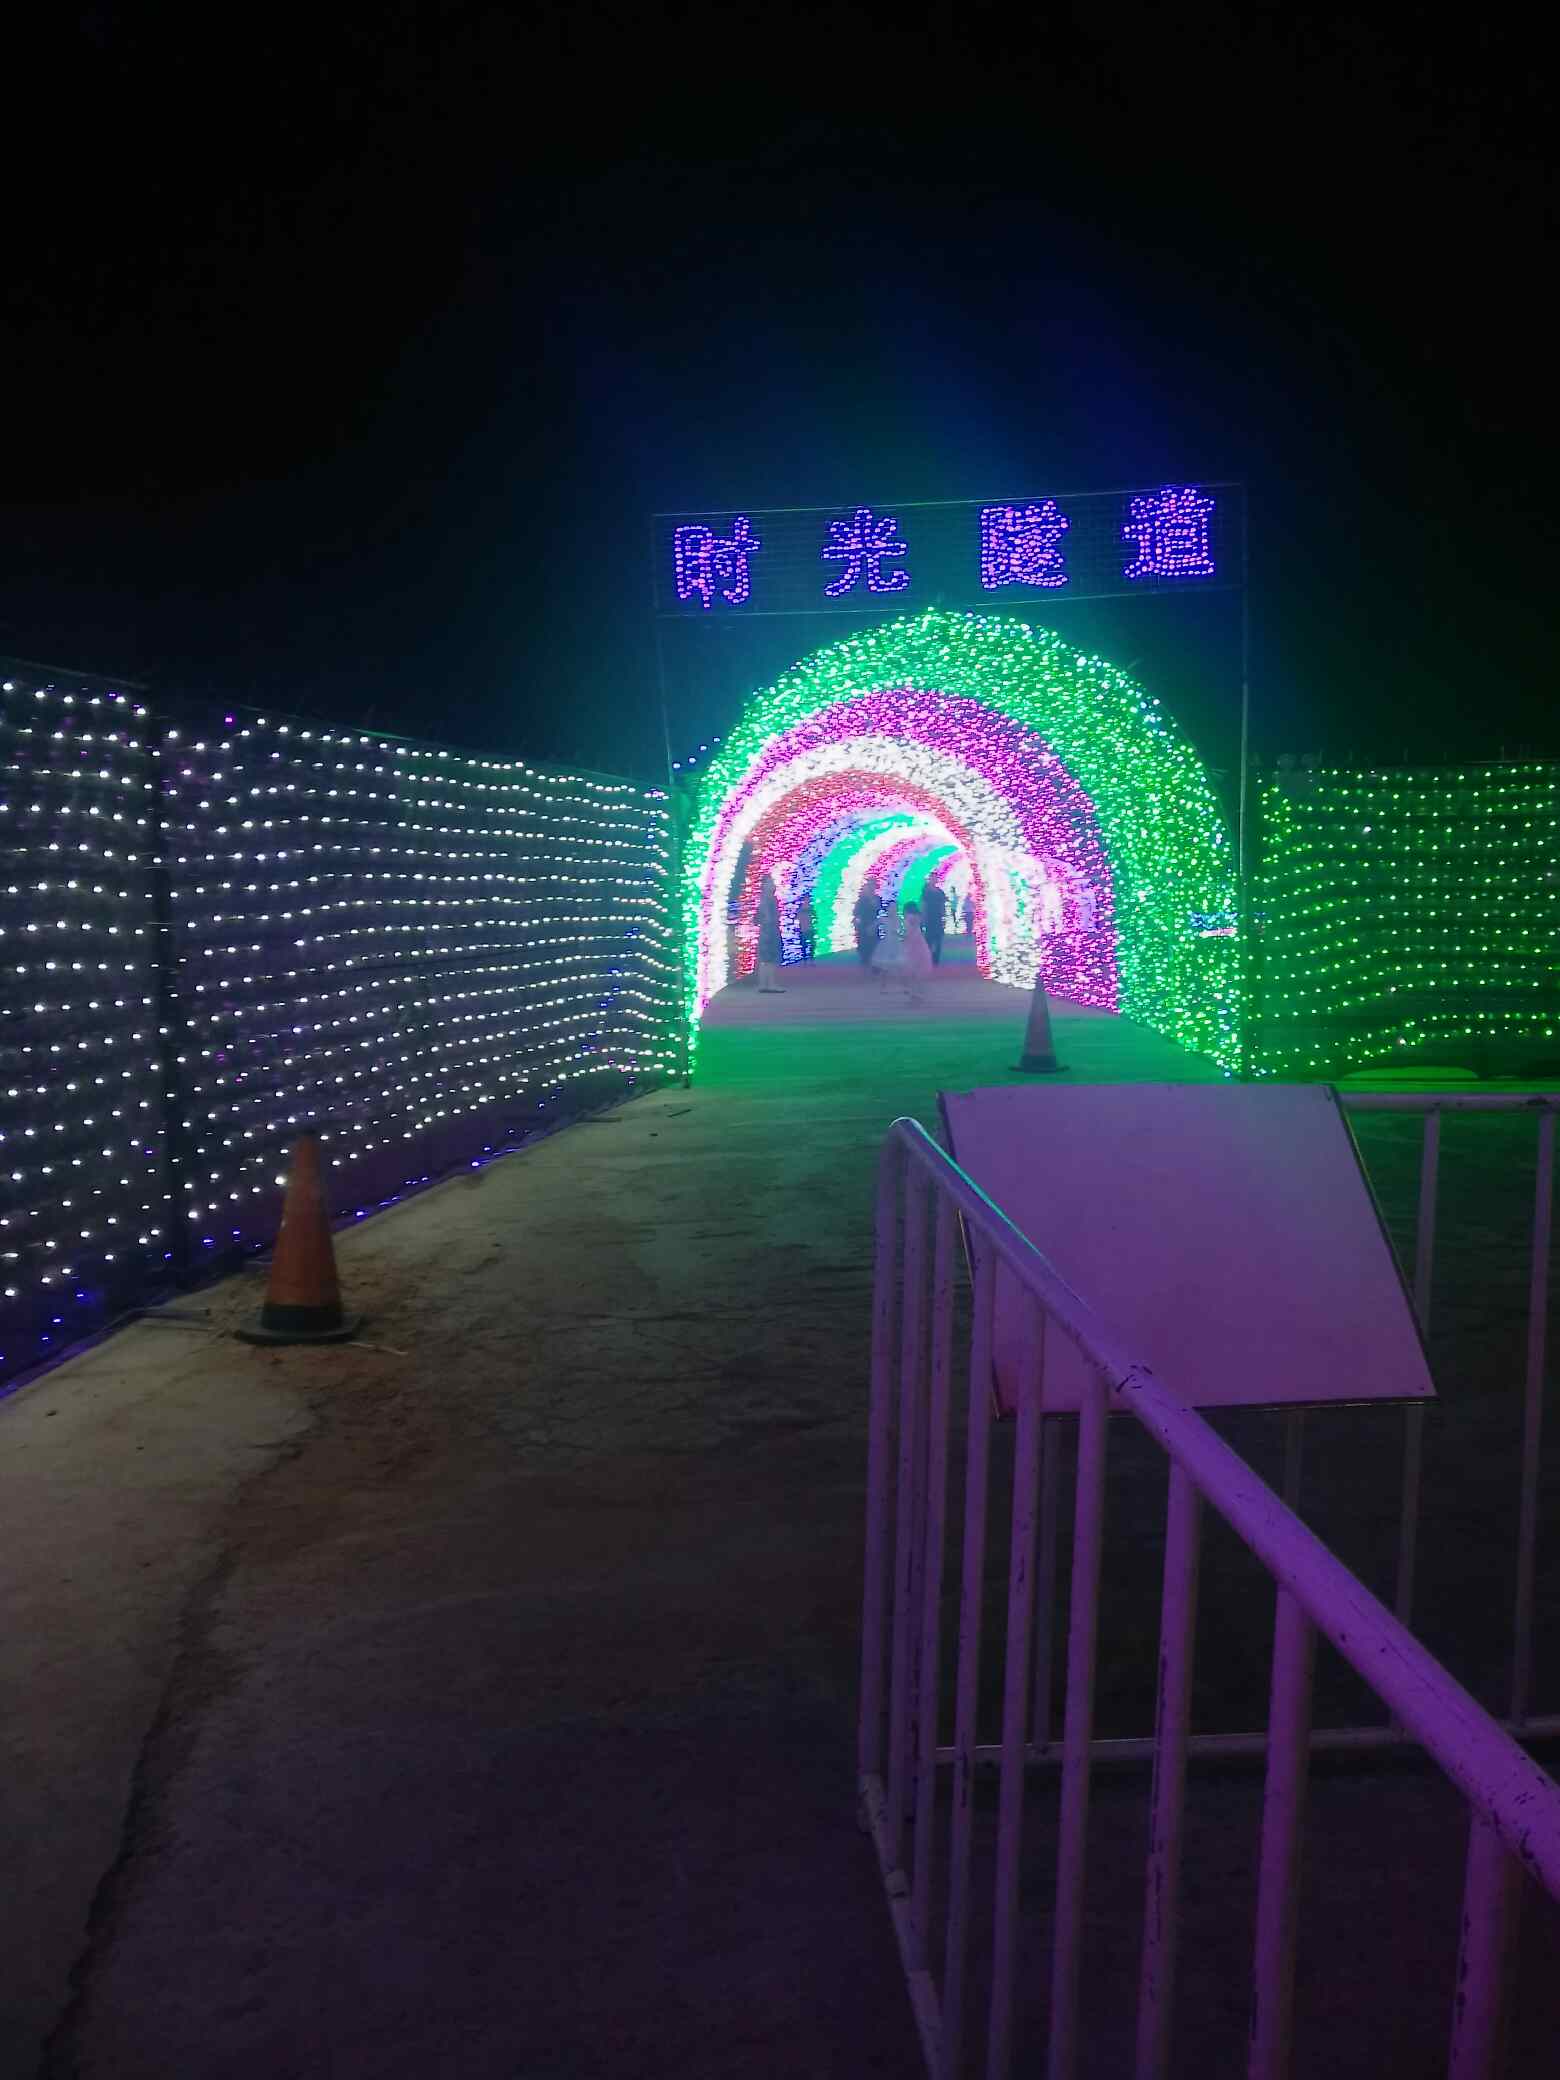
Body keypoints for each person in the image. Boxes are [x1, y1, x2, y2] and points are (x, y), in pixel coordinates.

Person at [755, 873, 785, 993]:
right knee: (770, 959)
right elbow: (768, 916)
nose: (773, 884)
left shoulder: (763, 898)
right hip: (770, 930)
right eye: (770, 882)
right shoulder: (768, 899)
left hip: (766, 930)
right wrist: (770, 923)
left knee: (765, 960)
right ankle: (770, 984)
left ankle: (763, 984)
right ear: (765, 885)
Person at [900, 900, 934, 1002]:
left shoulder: (909, 918)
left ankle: (913, 992)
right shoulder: (917, 917)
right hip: (919, 943)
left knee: (910, 970)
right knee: (918, 970)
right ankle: (918, 992)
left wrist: (899, 936)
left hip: (911, 945)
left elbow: (907, 933)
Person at [852, 878, 880, 965]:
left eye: (873, 886)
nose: (871, 888)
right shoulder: (861, 900)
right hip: (863, 927)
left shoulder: (877, 899)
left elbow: (880, 912)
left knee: (874, 948)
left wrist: (876, 924)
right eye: (869, 886)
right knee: (864, 950)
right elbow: (856, 914)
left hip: (874, 925)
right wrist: (857, 925)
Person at [921, 880, 947, 965]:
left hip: (937, 919)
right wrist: (923, 919)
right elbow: (923, 905)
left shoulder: (940, 892)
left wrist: (944, 917)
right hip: (929, 919)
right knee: (929, 940)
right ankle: (928, 958)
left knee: (938, 940)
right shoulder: (926, 893)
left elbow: (943, 905)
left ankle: (935, 959)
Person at [796, 891, 817, 961]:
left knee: (810, 945)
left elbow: (815, 918)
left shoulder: (808, 909)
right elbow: (815, 918)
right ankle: (807, 959)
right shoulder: (809, 909)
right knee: (806, 945)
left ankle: (809, 959)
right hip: (805, 929)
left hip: (808, 929)